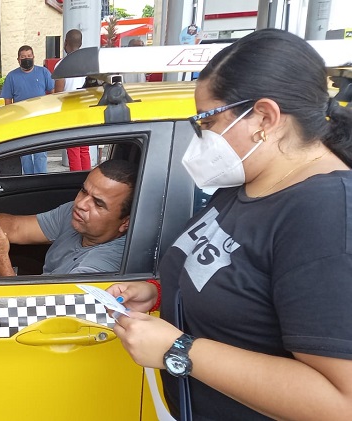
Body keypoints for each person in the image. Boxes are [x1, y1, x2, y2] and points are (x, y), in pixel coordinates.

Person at [106, 29, 352, 420]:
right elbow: (238, 281)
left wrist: (179, 350)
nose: (202, 137)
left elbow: (341, 403)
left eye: (209, 120)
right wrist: (162, 291)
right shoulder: (247, 181)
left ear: (265, 118)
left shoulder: (326, 216)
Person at [0, 160, 137, 275]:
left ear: (124, 223)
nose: (81, 204)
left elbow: (41, 322)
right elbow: (17, 227)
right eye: (83, 191)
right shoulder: (76, 216)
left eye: (98, 203)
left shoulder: (103, 266)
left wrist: (1, 260)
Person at [1, 45, 55, 174]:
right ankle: (29, 180)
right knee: (25, 155)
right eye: (23, 57)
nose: (27, 59)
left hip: (40, 119)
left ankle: (41, 179)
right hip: (21, 121)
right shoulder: (11, 77)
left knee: (40, 153)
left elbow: (53, 93)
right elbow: (8, 101)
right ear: (18, 59)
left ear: (34, 57)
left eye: (29, 56)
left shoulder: (43, 72)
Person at [54, 29, 91, 172]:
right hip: (86, 110)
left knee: (73, 150)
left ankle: (76, 182)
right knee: (84, 149)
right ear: (80, 44)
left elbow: (58, 92)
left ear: (66, 43)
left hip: (70, 111)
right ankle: (86, 177)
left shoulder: (62, 65)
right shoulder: (89, 64)